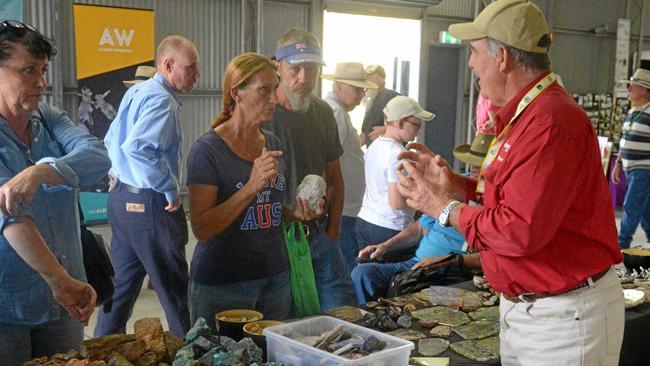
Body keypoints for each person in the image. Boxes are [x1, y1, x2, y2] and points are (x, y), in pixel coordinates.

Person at [397, 1, 624, 364]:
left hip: (561, 316)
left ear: (502, 56)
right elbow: (515, 197)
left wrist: (443, 207)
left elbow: (519, 229)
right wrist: (455, 185)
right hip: (533, 309)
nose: (471, 64)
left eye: (474, 52)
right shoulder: (528, 115)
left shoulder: (550, 122)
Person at [0, 20, 110, 365]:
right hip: (9, 305)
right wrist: (58, 279)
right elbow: (11, 216)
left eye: (43, 70)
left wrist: (42, 171)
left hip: (64, 299)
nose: (41, 83)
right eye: (28, 70)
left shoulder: (48, 118)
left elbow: (97, 158)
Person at [95, 35, 200, 338]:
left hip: (122, 202)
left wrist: (117, 172)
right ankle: (190, 356)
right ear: (169, 65)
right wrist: (170, 189)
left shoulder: (138, 91)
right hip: (151, 208)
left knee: (119, 292)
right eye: (191, 68)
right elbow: (138, 148)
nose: (196, 75)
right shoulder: (163, 101)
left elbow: (113, 138)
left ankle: (102, 351)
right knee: (176, 294)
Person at [186, 53, 294, 327]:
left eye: (275, 88)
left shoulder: (271, 141)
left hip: (275, 276)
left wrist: (295, 213)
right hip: (224, 284)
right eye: (264, 90)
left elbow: (268, 208)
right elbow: (202, 228)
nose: (273, 98)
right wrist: (250, 186)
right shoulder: (207, 151)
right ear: (237, 93)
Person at [264, 28, 356, 310]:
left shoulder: (323, 113)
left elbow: (335, 177)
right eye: (295, 68)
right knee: (287, 321)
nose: (304, 78)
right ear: (277, 66)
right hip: (276, 238)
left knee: (343, 314)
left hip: (319, 234)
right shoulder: (262, 114)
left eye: (312, 69)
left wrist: (333, 232)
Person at [352, 133, 492, 305]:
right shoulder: (452, 185)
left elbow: (493, 256)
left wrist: (448, 262)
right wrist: (385, 246)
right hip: (417, 264)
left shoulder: (497, 204)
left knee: (408, 289)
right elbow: (420, 228)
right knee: (363, 273)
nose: (474, 169)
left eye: (480, 165)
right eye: (472, 162)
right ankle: (372, 323)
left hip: (454, 271)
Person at [356, 96, 434, 249]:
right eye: (416, 125)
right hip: (389, 227)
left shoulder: (375, 145)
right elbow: (397, 203)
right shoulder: (398, 154)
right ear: (400, 122)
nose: (419, 130)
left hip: (365, 220)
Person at [323, 62, 377, 273]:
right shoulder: (335, 113)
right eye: (356, 89)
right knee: (344, 269)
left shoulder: (337, 111)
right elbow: (326, 163)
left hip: (346, 206)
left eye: (363, 90)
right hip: (341, 208)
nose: (361, 95)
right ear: (338, 85)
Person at [613, 68, 650, 248]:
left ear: (644, 90)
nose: (629, 90)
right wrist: (618, 164)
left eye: (632, 86)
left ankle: (622, 244)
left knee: (631, 205)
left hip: (644, 168)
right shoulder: (632, 112)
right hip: (630, 168)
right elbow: (624, 139)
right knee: (645, 209)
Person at [360, 64, 400, 147]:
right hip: (374, 152)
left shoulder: (394, 97)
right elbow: (365, 134)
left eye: (370, 77)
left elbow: (408, 124)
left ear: (381, 80)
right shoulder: (371, 101)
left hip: (391, 152)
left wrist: (384, 129)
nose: (367, 80)